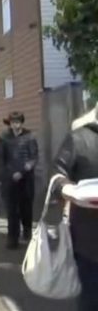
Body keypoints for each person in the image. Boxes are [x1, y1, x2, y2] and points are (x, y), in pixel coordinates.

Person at [51, 107, 98, 311]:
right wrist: (66, 188)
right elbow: (56, 175)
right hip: (90, 242)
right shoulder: (79, 138)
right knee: (91, 300)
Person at [1, 111, 38, 249]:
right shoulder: (5, 138)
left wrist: (23, 171)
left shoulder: (29, 137)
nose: (15, 125)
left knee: (25, 207)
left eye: (17, 122)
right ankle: (12, 238)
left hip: (26, 178)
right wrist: (6, 174)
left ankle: (27, 230)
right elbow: (2, 158)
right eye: (12, 122)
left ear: (21, 123)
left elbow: (33, 157)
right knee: (12, 209)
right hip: (10, 178)